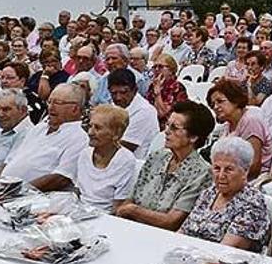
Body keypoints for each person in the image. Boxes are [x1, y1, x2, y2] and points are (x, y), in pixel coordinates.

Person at [116, 101, 214, 230]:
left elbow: (171, 221)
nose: (166, 131)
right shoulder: (156, 157)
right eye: (167, 125)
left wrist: (133, 210)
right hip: (133, 228)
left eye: (174, 128)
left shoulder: (202, 172)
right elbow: (131, 198)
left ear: (193, 137)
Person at [178, 137, 270, 252]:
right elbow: (182, 233)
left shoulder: (253, 204)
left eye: (229, 169)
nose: (221, 175)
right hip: (188, 256)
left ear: (245, 171)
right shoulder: (208, 194)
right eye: (216, 168)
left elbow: (225, 250)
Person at [0, 84, 89, 192]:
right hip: (4, 189)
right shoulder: (39, 128)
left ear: (75, 109)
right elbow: (10, 159)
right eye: (49, 102)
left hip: (32, 196)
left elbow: (61, 178)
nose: (50, 107)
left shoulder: (79, 137)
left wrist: (19, 190)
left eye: (57, 103)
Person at [75, 105, 137, 213]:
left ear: (116, 134)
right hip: (79, 212)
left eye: (98, 128)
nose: (90, 132)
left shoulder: (125, 160)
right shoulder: (85, 154)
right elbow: (78, 192)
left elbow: (118, 207)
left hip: (106, 217)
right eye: (90, 126)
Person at [207, 79, 272, 180]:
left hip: (250, 179)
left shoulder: (251, 120)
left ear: (235, 100)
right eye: (213, 104)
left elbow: (254, 166)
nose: (215, 107)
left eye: (220, 101)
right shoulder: (229, 124)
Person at [106, 68, 159, 160]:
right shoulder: (114, 105)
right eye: (114, 93)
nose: (118, 97)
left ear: (135, 90)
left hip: (134, 163)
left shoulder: (145, 111)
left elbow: (125, 148)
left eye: (123, 92)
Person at [146, 53, 188, 128]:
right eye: (154, 67)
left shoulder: (177, 87)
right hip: (151, 124)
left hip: (170, 125)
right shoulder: (152, 86)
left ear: (171, 70)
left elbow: (162, 114)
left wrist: (157, 94)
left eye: (160, 67)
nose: (156, 69)